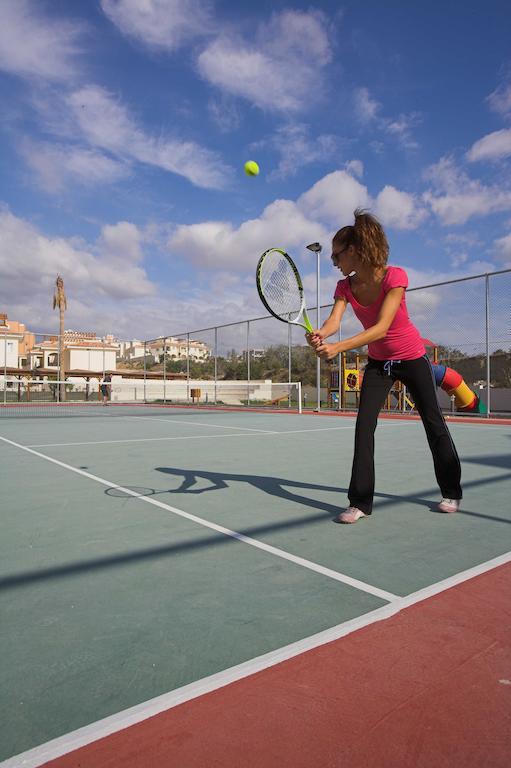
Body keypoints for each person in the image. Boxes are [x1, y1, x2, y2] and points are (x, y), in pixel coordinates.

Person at [307, 209, 462, 523]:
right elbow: (334, 321)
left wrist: (337, 348)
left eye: (336, 254)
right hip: (379, 364)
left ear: (354, 251)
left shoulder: (395, 276)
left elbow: (381, 327)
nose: (334, 261)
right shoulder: (344, 287)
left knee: (433, 423)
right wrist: (322, 335)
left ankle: (451, 490)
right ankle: (360, 503)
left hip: (412, 358)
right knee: (364, 427)